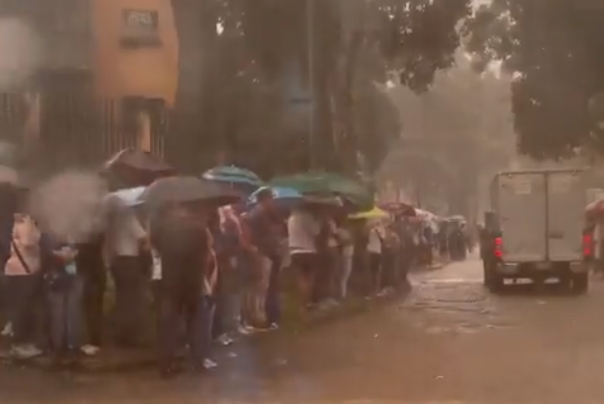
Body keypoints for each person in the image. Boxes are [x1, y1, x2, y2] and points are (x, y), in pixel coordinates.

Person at [151, 202, 217, 378]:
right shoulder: (198, 228)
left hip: (170, 281)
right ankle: (198, 359)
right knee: (195, 321)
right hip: (193, 281)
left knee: (168, 325)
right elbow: (207, 251)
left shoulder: (163, 229)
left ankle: (166, 364)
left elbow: (155, 248)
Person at [104, 196, 149, 348]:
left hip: (116, 261)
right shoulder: (128, 217)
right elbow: (143, 238)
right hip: (129, 260)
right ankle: (130, 336)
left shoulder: (110, 221)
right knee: (132, 299)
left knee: (122, 298)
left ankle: (120, 333)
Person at [4, 212, 44, 359]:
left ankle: (20, 341)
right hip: (23, 271)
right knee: (22, 308)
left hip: (18, 270)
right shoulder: (24, 223)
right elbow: (29, 243)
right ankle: (20, 344)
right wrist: (32, 226)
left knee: (20, 307)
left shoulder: (15, 223)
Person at [245, 188, 282, 329]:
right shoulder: (258, 213)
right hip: (262, 252)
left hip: (268, 251)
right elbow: (260, 233)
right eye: (270, 198)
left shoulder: (266, 213)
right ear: (264, 199)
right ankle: (258, 315)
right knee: (261, 286)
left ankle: (263, 313)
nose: (273, 201)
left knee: (265, 286)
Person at [46, 241, 85, 366]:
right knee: (62, 312)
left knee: (70, 312)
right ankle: (64, 346)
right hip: (59, 277)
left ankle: (67, 346)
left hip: (67, 277)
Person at [75, 231, 105, 355]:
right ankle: (94, 340)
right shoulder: (96, 247)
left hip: (89, 277)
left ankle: (90, 340)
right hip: (97, 276)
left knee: (89, 309)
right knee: (94, 309)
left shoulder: (83, 248)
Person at [288, 206, 320, 309]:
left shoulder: (291, 218)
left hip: (294, 251)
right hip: (308, 249)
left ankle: (301, 303)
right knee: (310, 278)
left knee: (300, 278)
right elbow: (316, 232)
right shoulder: (308, 217)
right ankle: (307, 301)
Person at [366, 220, 385, 297]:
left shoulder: (381, 230)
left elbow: (382, 240)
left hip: (377, 252)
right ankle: (371, 289)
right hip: (370, 251)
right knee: (371, 271)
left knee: (376, 271)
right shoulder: (370, 230)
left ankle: (376, 289)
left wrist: (378, 232)